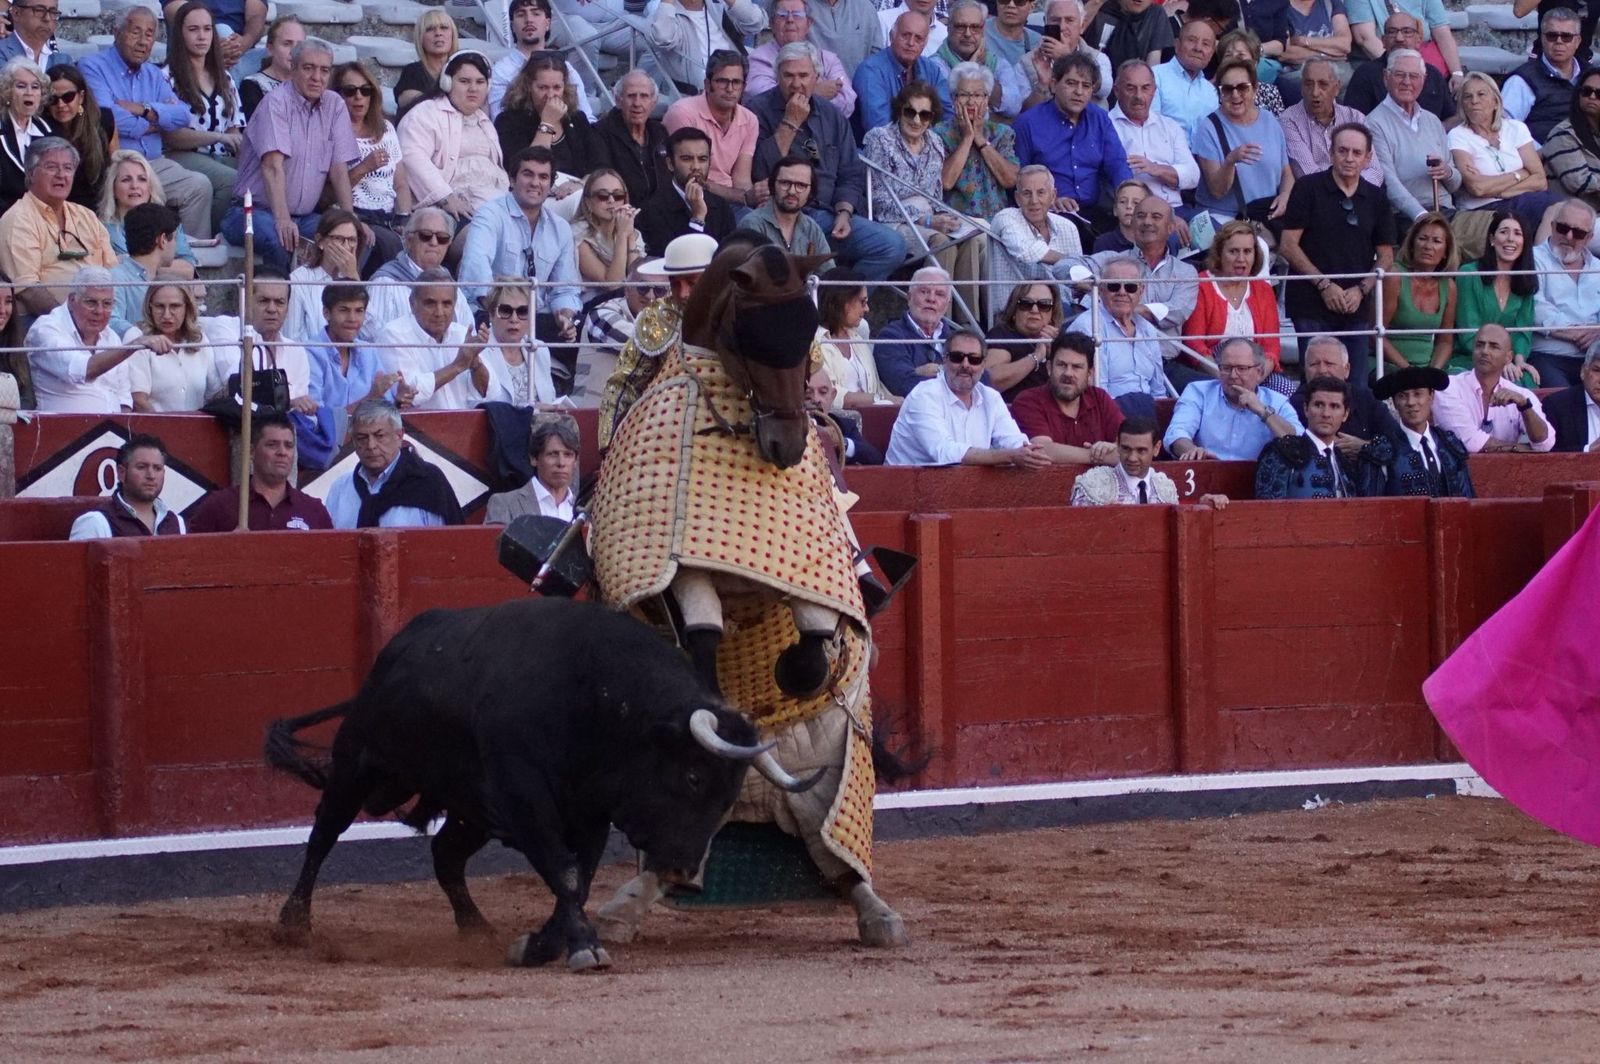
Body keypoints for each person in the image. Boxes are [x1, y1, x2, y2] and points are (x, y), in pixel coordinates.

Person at [748, 43, 907, 280]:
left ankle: (836, 304)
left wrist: (844, 210)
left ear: (817, 77)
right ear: (777, 76)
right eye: (788, 76)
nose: (796, 83)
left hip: (830, 215)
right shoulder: (757, 110)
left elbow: (851, 173)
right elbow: (760, 171)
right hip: (784, 214)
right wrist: (790, 123)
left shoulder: (832, 114)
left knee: (892, 246)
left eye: (803, 75)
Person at [223, 37, 362, 273]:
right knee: (280, 239)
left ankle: (329, 302)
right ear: (293, 68)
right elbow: (272, 166)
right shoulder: (275, 103)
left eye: (324, 70)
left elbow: (339, 169)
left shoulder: (335, 104)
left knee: (355, 241)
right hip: (251, 212)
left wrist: (349, 221)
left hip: (306, 216)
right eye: (308, 68)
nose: (316, 77)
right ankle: (282, 303)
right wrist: (283, 219)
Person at [78, 8, 212, 239]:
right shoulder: (92, 66)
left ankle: (191, 260)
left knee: (198, 186)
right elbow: (107, 116)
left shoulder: (153, 73)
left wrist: (144, 110)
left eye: (149, 34)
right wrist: (156, 122)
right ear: (116, 32)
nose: (142, 41)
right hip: (116, 163)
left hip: (153, 162)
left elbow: (183, 114)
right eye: (135, 32)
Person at [1279, 121, 1395, 384]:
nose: (1349, 158)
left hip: (1356, 304)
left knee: (1356, 386)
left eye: (1356, 153)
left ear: (1368, 159)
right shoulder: (1307, 188)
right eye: (1342, 151)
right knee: (1317, 382)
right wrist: (1324, 285)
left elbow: (1386, 256)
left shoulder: (1376, 198)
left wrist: (1361, 290)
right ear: (1331, 153)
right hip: (1310, 303)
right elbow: (1288, 245)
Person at [863, 80, 979, 304]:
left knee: (970, 238)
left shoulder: (935, 142)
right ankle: (938, 317)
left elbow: (935, 197)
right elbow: (878, 201)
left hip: (928, 219)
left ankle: (967, 321)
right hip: (893, 222)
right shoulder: (880, 139)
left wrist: (945, 218)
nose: (916, 120)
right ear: (900, 111)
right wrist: (925, 220)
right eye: (910, 112)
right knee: (942, 241)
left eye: (924, 115)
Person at [598, 231, 716, 446]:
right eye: (675, 284)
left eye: (692, 283)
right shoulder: (657, 316)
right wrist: (609, 446)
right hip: (666, 431)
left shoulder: (738, 313)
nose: (683, 294)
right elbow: (624, 384)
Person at [459, 146, 581, 343]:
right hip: (493, 312)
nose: (535, 183)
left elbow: (565, 289)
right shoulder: (489, 215)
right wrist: (511, 312)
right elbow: (476, 275)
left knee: (580, 328)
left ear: (550, 184)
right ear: (512, 179)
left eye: (543, 177)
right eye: (528, 174)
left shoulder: (561, 228)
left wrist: (564, 317)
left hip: (537, 318)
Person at [885, 328, 1052, 467]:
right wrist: (1010, 456)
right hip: (907, 492)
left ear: (983, 364)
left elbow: (1012, 439)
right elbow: (944, 452)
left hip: (961, 490)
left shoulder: (990, 397)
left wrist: (1028, 452)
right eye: (957, 357)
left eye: (974, 359)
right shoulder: (924, 395)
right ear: (944, 360)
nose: (965, 365)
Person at [1014, 52, 1132, 238]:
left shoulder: (1099, 119)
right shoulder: (1028, 123)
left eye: (1086, 86)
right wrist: (1050, 200)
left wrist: (1129, 199)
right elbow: (1018, 178)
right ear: (1053, 84)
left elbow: (1117, 165)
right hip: (1049, 213)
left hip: (1096, 213)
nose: (1079, 92)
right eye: (1071, 83)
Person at [399, 50, 506, 251]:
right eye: (464, 81)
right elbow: (413, 158)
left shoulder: (485, 122)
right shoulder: (425, 113)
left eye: (480, 82)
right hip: (449, 211)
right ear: (447, 83)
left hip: (494, 207)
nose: (473, 88)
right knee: (484, 241)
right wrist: (445, 197)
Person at [26, 266, 172, 412]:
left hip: (112, 430)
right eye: (91, 302)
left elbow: (124, 399)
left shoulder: (111, 336)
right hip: (62, 430)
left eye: (107, 304)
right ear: (72, 300)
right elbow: (83, 370)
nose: (99, 311)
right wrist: (134, 344)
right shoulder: (46, 329)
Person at [0, 138, 119, 315]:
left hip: (99, 317)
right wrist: (71, 322)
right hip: (46, 324)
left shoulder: (87, 216)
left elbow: (113, 274)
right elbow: (27, 290)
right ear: (31, 173)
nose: (61, 174)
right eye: (51, 167)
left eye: (68, 168)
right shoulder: (18, 219)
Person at [1088, 193, 1199, 373]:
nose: (1147, 222)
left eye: (1156, 217)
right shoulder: (1112, 262)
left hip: (1164, 363)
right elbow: (1065, 268)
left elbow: (1176, 312)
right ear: (1132, 223)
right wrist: (1091, 285)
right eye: (1141, 216)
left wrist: (1127, 307)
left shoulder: (1185, 272)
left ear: (1170, 227)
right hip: (1117, 361)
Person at [1449, 73, 1561, 245]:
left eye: (1481, 94)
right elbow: (1477, 188)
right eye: (1467, 97)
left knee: (1562, 209)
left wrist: (1500, 191)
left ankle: (1544, 259)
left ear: (1496, 101)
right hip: (1481, 210)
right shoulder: (1458, 136)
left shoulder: (1516, 128)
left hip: (1520, 202)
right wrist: (1521, 174)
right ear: (1462, 104)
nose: (1474, 101)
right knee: (1554, 207)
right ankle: (1542, 261)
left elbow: (1540, 181)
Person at [160, 3, 243, 235]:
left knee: (258, 177)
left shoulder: (224, 77)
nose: (202, 36)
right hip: (182, 154)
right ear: (180, 34)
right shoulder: (167, 78)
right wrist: (218, 137)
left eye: (207, 29)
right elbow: (172, 136)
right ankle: (215, 239)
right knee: (232, 180)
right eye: (193, 29)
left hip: (221, 155)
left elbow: (235, 128)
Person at [323, 399, 465, 528]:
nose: (371, 445)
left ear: (399, 435)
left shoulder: (429, 481)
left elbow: (449, 545)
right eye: (362, 438)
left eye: (380, 436)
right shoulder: (340, 488)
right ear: (353, 441)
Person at [495, 53, 602, 220]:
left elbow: (599, 165)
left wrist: (579, 184)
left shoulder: (577, 118)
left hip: (576, 190)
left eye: (557, 88)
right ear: (529, 86)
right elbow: (527, 168)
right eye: (543, 87)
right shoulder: (509, 121)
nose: (550, 95)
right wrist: (547, 123)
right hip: (534, 196)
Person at [186, 412, 335, 532]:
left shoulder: (313, 511)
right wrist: (227, 546)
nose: (282, 452)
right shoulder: (219, 506)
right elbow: (191, 560)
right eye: (272, 445)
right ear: (251, 451)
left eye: (288, 446)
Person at [1366, 49, 1462, 231]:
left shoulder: (1432, 121)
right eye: (1400, 75)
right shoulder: (1374, 123)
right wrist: (1422, 217)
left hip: (1446, 212)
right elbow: (1389, 183)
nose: (1407, 82)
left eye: (1414, 76)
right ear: (1386, 78)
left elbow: (1455, 184)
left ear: (1423, 81)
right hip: (1407, 217)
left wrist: (1447, 172)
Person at [1163, 336, 1302, 460]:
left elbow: (1300, 444)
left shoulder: (1277, 401)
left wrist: (1263, 412)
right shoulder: (1198, 392)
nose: (1233, 376)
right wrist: (1193, 451)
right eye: (1226, 368)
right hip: (1209, 475)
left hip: (1259, 481)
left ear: (1259, 372)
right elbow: (1176, 434)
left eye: (1241, 369)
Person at [1192, 56, 1293, 226]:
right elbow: (1217, 191)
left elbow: (1286, 173)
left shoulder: (1270, 120)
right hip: (1224, 218)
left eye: (1242, 88)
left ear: (1255, 89)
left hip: (1265, 214)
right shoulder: (1208, 128)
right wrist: (1230, 161)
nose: (1235, 94)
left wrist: (1285, 196)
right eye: (1227, 89)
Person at [377, 267, 494, 412]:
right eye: (430, 303)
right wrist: (458, 366)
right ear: (412, 304)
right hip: (414, 430)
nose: (439, 313)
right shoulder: (393, 335)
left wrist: (475, 363)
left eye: (446, 304)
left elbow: (489, 393)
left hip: (463, 426)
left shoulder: (462, 334)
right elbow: (411, 393)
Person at [1433, 324, 1555, 454]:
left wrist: (1524, 406)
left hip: (1509, 472)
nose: (1484, 351)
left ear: (1508, 357)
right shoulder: (1448, 387)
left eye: (1494, 346)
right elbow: (1470, 443)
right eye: (1479, 345)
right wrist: (1517, 448)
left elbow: (1545, 443)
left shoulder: (1522, 395)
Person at [1254, 376, 1382, 499]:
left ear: (1345, 414)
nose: (1326, 414)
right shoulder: (1281, 453)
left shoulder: (1346, 461)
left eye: (1334, 406)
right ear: (1306, 409)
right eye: (1319, 405)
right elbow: (1269, 513)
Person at [664, 51, 762, 210]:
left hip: (732, 202)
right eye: (722, 81)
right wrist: (742, 197)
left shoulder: (750, 120)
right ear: (707, 85)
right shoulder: (683, 113)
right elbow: (690, 178)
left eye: (736, 82)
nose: (730, 89)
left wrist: (756, 199)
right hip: (691, 199)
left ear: (744, 87)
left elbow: (742, 180)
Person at [1067, 257, 1168, 411]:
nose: (1122, 292)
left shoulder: (1148, 329)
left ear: (1141, 291)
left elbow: (1158, 390)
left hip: (1147, 412)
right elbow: (1097, 393)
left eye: (1130, 287)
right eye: (1114, 286)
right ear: (1100, 289)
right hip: (1109, 413)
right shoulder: (1088, 327)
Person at [1011, 330, 1125, 464]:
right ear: (1049, 368)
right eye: (1061, 365)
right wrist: (1102, 456)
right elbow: (1042, 450)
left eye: (1077, 367)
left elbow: (1128, 443)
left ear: (1090, 373)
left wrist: (1112, 447)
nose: (1068, 373)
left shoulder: (1099, 397)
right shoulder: (1028, 400)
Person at [361, 208, 474, 344]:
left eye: (442, 238)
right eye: (425, 236)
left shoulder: (450, 285)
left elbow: (469, 335)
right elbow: (373, 338)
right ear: (409, 239)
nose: (434, 243)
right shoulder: (385, 282)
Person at [209, 270, 314, 412]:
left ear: (288, 308)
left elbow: (300, 405)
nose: (272, 309)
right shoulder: (226, 327)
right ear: (247, 302)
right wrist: (288, 402)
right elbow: (240, 384)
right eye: (264, 301)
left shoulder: (296, 351)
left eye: (279, 302)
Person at [1452, 210, 1539, 379]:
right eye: (1504, 232)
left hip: (1508, 359)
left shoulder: (1525, 279)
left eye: (1517, 233)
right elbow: (1468, 331)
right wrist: (1502, 361)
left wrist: (1519, 360)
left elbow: (1523, 330)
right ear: (1492, 239)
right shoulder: (1469, 274)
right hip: (1470, 358)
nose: (1511, 239)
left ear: (1524, 242)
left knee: (1527, 379)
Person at [1183, 218, 1281, 366]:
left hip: (1254, 369)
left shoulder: (1264, 289)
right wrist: (1225, 376)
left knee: (1285, 388)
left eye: (1247, 251)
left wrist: (1256, 378)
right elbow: (1194, 344)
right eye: (1233, 251)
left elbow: (1271, 348)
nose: (1241, 259)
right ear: (1219, 254)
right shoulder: (1201, 285)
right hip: (1213, 367)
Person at [1109, 58, 1199, 214]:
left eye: (1145, 88)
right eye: (1130, 88)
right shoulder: (1107, 126)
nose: (1139, 96)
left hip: (1179, 208)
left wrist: (1156, 169)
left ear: (1154, 91)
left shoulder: (1169, 126)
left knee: (1223, 235)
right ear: (1116, 91)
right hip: (1139, 214)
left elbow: (1193, 175)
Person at [1371, 364, 1475, 498]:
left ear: (1431, 396)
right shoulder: (1380, 450)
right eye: (1402, 396)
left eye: (1418, 394)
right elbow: (1370, 510)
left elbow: (1468, 499)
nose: (1411, 402)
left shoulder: (1450, 444)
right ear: (1395, 403)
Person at [1071, 416, 1228, 504]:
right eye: (1126, 449)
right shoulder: (1092, 484)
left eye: (1141, 451)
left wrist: (1203, 506)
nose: (1132, 458)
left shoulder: (1164, 487)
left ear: (1157, 448)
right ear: (1117, 444)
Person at [575, 259, 668, 406]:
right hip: (590, 415)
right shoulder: (601, 312)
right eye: (643, 287)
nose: (650, 296)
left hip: (636, 418)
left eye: (659, 290)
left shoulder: (668, 322)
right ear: (626, 288)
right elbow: (643, 341)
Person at [336, 61, 411, 245]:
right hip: (353, 214)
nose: (359, 96)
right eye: (350, 91)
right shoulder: (335, 130)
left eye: (365, 90)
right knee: (388, 244)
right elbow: (332, 191)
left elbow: (400, 184)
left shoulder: (386, 128)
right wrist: (364, 167)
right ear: (338, 95)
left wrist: (404, 218)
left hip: (388, 217)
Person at [1531, 197, 1600, 388]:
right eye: (1563, 228)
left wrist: (1598, 331)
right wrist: (1578, 332)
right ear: (1552, 226)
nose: (1568, 236)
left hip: (1594, 359)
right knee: (1562, 401)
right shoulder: (1532, 259)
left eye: (1578, 233)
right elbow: (1536, 309)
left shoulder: (1598, 268)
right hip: (1547, 356)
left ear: (1589, 237)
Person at [938, 61, 1020, 221]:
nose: (970, 102)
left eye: (977, 95)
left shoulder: (1002, 133)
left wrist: (980, 139)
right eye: (963, 95)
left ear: (987, 99)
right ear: (954, 99)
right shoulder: (939, 134)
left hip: (997, 220)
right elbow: (946, 182)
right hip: (957, 221)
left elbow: (1011, 180)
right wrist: (968, 138)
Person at [97, 149, 199, 278]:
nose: (135, 186)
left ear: (150, 186)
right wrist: (160, 266)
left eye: (142, 179)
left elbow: (187, 269)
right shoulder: (100, 229)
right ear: (113, 187)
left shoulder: (169, 222)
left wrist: (133, 264)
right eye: (126, 180)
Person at [1280, 58, 1383, 185]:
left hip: (1359, 197)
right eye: (1309, 84)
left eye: (1323, 84)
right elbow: (1308, 176)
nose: (1315, 92)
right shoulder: (1289, 120)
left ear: (1337, 87)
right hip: (1317, 200)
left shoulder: (1355, 118)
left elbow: (1374, 171)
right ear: (1301, 87)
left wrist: (1354, 191)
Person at [750, 0, 857, 119]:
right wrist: (814, 92)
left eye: (797, 15)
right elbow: (762, 99)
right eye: (782, 15)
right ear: (772, 24)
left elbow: (847, 101)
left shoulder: (828, 59)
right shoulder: (759, 58)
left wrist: (796, 97)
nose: (790, 20)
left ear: (809, 23)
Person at [488, 0, 593, 121]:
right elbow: (500, 122)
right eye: (521, 14)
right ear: (512, 26)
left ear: (548, 23)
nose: (528, 20)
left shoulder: (567, 68)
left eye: (536, 13)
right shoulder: (501, 72)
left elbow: (587, 117)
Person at [638, 126, 736, 255]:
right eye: (687, 159)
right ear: (670, 164)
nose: (696, 167)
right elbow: (673, 261)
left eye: (702, 159)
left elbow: (731, 255)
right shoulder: (652, 210)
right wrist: (697, 218)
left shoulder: (721, 206)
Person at [853, 11, 953, 137]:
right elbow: (878, 129)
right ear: (891, 37)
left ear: (925, 43)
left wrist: (927, 141)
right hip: (876, 152)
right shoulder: (870, 70)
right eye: (906, 35)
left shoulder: (931, 69)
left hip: (926, 148)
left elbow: (949, 118)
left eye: (918, 38)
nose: (911, 43)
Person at [1288, 334, 1400, 445]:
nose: (1322, 370)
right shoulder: (1294, 405)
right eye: (1314, 364)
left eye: (1329, 364)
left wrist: (1365, 447)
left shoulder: (1365, 399)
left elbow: (1398, 442)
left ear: (1346, 369)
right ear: (1304, 370)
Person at [68, 434, 186, 538]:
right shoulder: (94, 523)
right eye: (141, 467)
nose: (151, 475)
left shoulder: (176, 522)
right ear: (121, 473)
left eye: (157, 468)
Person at [1342, 11, 1455, 120]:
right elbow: (1353, 123)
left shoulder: (1433, 74)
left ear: (1419, 40)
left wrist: (1430, 133)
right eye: (1392, 32)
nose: (1399, 38)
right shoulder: (1365, 75)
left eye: (1407, 32)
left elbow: (1451, 117)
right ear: (1383, 41)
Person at [1381, 211, 1457, 371]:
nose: (1428, 246)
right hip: (1390, 365)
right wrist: (1409, 370)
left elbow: (1445, 341)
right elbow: (1375, 335)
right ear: (1412, 244)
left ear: (1446, 252)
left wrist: (1433, 372)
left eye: (1436, 241)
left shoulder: (1449, 286)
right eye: (1422, 239)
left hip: (1427, 368)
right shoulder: (1394, 276)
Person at [989, 163, 1084, 290]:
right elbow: (1028, 252)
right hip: (1014, 308)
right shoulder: (1006, 217)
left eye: (1041, 193)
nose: (1034, 200)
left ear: (1053, 196)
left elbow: (1080, 280)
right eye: (1027, 193)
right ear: (1017, 198)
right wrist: (1072, 260)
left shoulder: (1068, 227)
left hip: (1063, 308)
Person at [125, 280, 213, 412]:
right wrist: (167, 430)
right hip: (152, 429)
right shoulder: (137, 337)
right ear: (150, 307)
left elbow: (215, 392)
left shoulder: (199, 339)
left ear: (187, 308)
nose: (166, 315)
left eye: (175, 306)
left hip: (198, 427)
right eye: (159, 306)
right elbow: (138, 401)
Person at [648, 0, 768, 95]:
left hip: (737, 86)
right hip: (696, 95)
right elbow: (663, 39)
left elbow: (756, 23)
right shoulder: (664, 11)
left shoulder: (719, 5)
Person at [814, 266, 894, 409]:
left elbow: (876, 385)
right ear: (842, 302)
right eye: (862, 302)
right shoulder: (815, 342)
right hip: (837, 423)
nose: (867, 309)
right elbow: (828, 394)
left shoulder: (858, 336)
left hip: (872, 418)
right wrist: (882, 400)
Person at [1502, 8, 1583, 144]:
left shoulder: (1591, 76)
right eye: (1552, 36)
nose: (1559, 41)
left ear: (1577, 41)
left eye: (1566, 37)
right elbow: (1506, 128)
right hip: (1543, 157)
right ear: (1542, 39)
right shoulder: (1522, 80)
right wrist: (1539, 155)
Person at [874, 265, 958, 396]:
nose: (931, 299)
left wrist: (936, 371)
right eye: (924, 291)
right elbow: (902, 384)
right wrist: (955, 376)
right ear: (909, 297)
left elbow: (983, 379)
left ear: (948, 303)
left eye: (940, 294)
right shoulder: (891, 336)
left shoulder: (957, 339)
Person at [285, 208, 365, 344]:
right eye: (339, 239)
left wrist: (353, 279)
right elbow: (292, 337)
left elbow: (372, 334)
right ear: (320, 241)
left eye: (352, 240)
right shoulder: (299, 280)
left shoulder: (356, 278)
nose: (346, 247)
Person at [46, 65, 118, 212]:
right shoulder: (42, 128)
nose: (61, 105)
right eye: (53, 99)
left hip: (99, 206)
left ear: (81, 96)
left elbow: (115, 166)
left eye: (68, 97)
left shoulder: (103, 120)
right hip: (58, 207)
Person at [1346, 0, 1464, 89]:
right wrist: (1405, 68)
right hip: (1383, 64)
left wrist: (1456, 72)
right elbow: (1365, 39)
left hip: (1424, 62)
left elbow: (1443, 33)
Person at [596, 70, 671, 209]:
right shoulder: (600, 133)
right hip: (622, 213)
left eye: (644, 96)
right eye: (631, 96)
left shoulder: (660, 132)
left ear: (653, 103)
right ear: (618, 100)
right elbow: (603, 181)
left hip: (662, 215)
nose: (637, 103)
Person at [484, 414, 579, 523]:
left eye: (568, 455)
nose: (561, 463)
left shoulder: (588, 509)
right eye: (552, 454)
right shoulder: (504, 504)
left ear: (575, 461)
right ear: (534, 459)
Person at [479, 276, 558, 407]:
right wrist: (531, 410)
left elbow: (550, 399)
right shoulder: (480, 352)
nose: (514, 319)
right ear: (491, 315)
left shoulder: (540, 349)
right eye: (505, 310)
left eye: (523, 311)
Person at [736, 154, 833, 257]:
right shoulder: (752, 224)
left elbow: (828, 271)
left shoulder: (812, 229)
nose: (791, 191)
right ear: (773, 185)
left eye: (801, 185)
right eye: (785, 183)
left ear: (810, 191)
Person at [1024, 0, 1112, 113]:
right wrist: (1042, 86)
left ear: (1082, 26)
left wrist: (1068, 58)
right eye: (1055, 20)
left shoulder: (1099, 58)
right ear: (1045, 22)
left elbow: (1105, 89)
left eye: (1069, 20)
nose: (1062, 27)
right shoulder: (1027, 61)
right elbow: (1022, 113)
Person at [108, 201, 179, 334]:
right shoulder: (116, 278)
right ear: (162, 240)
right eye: (174, 239)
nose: (176, 245)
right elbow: (109, 322)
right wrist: (142, 335)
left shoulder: (163, 280)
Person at [983, 281, 1059, 401]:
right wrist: (1036, 356)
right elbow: (989, 380)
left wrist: (1055, 355)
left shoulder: (1060, 341)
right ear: (1014, 311)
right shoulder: (1003, 335)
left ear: (1052, 313)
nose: (1034, 310)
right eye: (1026, 303)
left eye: (1044, 305)